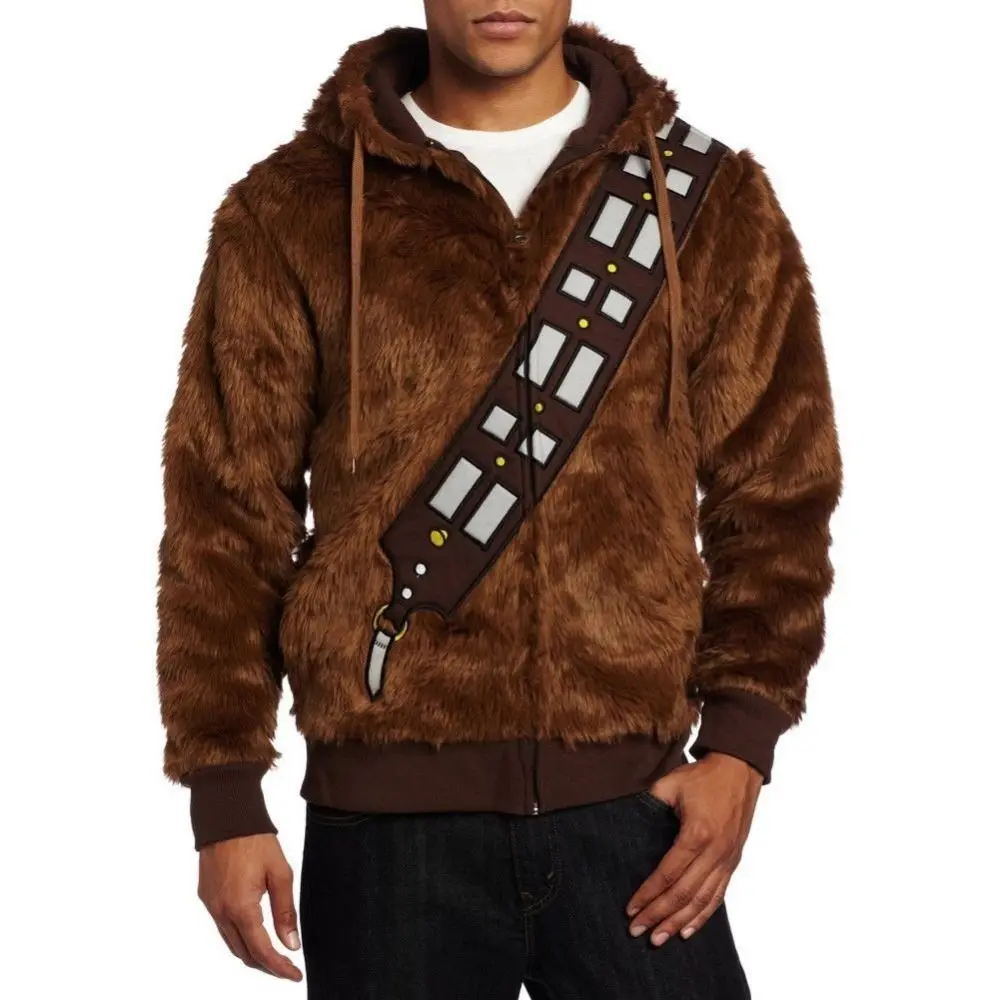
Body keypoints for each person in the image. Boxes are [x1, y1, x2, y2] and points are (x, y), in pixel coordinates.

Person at [155, 2, 843, 996]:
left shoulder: (706, 197)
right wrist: (224, 797)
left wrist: (741, 745)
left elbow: (779, 490)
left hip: (638, 810)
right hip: (386, 833)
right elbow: (224, 516)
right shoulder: (289, 208)